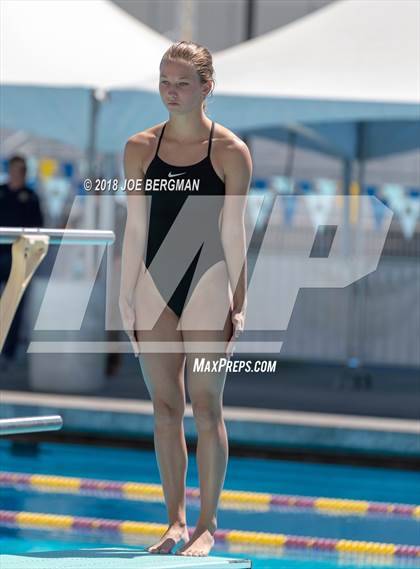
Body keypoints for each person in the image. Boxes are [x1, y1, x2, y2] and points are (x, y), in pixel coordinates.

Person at [119, 41, 252, 557]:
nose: (170, 93)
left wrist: (240, 300)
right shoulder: (138, 149)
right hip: (155, 279)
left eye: (182, 84)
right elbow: (135, 228)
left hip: (208, 280)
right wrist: (125, 296)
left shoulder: (230, 153)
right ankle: (174, 521)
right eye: (164, 81)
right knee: (164, 405)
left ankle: (206, 523)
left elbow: (234, 231)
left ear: (206, 88)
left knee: (204, 404)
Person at [0, 155, 44, 366]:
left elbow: (38, 228)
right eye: (15, 170)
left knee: (14, 306)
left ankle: (8, 352)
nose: (17, 174)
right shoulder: (1, 192)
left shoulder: (31, 197)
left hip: (18, 258)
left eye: (21, 171)